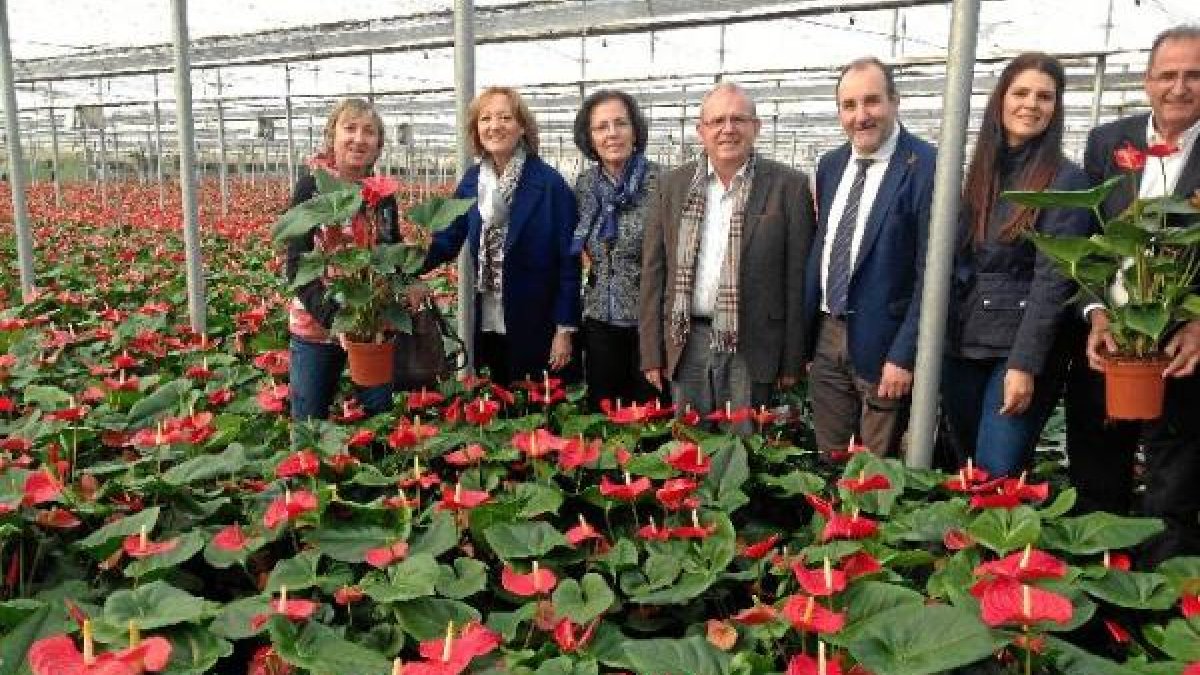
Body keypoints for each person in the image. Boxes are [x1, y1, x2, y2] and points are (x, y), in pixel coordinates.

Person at [1065, 25, 1200, 566]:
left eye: (1193, 75)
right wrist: (1096, 312)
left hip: (1180, 353)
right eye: (1167, 74)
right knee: (1098, 479)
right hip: (1110, 344)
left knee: (1173, 494)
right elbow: (1086, 238)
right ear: (1147, 82)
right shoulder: (1108, 142)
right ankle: (1100, 609)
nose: (1179, 86)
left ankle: (1160, 615)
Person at [941, 53, 1091, 477]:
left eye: (1045, 97)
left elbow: (1052, 282)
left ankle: (1007, 544)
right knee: (969, 467)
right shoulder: (977, 173)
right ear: (1001, 100)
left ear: (1056, 109)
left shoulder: (1065, 181)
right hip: (964, 342)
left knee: (999, 470)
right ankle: (979, 543)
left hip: (1017, 349)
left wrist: (1023, 366)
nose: (1031, 104)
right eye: (1021, 92)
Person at [639, 82, 815, 421]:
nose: (727, 129)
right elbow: (654, 272)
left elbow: (797, 279)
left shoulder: (788, 187)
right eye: (717, 121)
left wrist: (793, 358)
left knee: (745, 450)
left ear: (756, 127)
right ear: (700, 130)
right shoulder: (672, 186)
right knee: (688, 450)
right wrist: (651, 352)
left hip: (754, 347)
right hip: (686, 340)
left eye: (739, 119)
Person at [802, 57, 936, 457]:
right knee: (831, 455)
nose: (861, 116)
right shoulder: (832, 165)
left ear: (895, 101)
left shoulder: (926, 166)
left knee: (877, 474)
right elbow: (825, 246)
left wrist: (905, 354)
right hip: (828, 331)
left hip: (885, 340)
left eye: (872, 102)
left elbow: (933, 272)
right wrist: (810, 343)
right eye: (849, 105)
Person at [424, 86, 581, 386]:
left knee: (534, 409)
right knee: (498, 403)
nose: (494, 126)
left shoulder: (549, 185)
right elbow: (447, 238)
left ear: (522, 127)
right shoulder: (472, 182)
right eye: (485, 119)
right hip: (489, 318)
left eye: (505, 117)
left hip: (536, 321)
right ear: (476, 129)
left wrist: (564, 329)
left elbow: (568, 262)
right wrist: (402, 267)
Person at [285, 97, 400, 420]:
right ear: (332, 135)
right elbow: (297, 267)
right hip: (316, 328)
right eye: (349, 128)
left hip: (373, 328)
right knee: (309, 420)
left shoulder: (382, 194)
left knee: (380, 417)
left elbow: (392, 252)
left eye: (369, 132)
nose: (359, 139)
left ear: (378, 145)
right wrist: (337, 321)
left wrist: (409, 281)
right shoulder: (311, 189)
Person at [570, 90, 661, 410]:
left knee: (649, 419)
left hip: (649, 326)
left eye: (620, 124)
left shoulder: (661, 183)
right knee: (603, 416)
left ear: (635, 131)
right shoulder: (584, 186)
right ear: (589, 137)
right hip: (598, 320)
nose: (612, 134)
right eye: (601, 127)